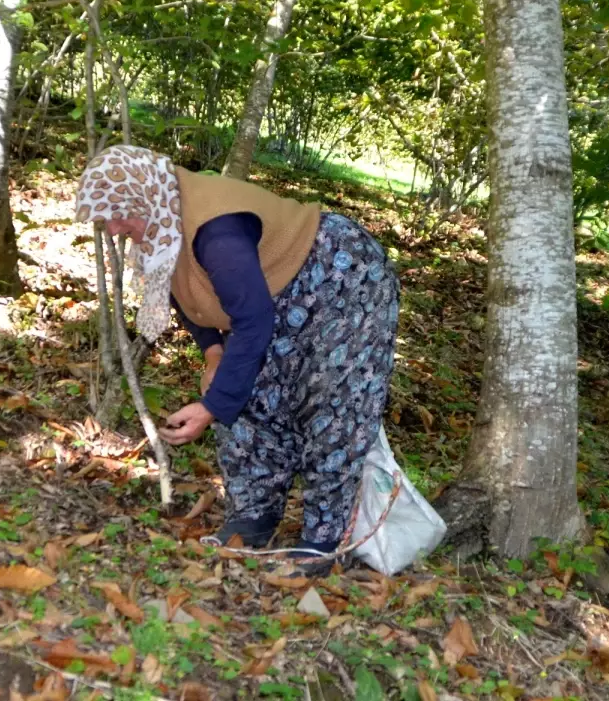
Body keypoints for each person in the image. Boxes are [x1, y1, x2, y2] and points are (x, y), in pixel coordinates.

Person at [75, 145, 399, 575]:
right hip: (273, 292)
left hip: (339, 275)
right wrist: (213, 354)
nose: (116, 228)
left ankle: (323, 540)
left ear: (146, 196)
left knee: (331, 402)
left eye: (121, 213)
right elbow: (191, 296)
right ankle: (254, 517)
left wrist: (211, 407)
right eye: (107, 218)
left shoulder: (217, 231)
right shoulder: (165, 223)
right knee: (249, 389)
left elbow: (253, 320)